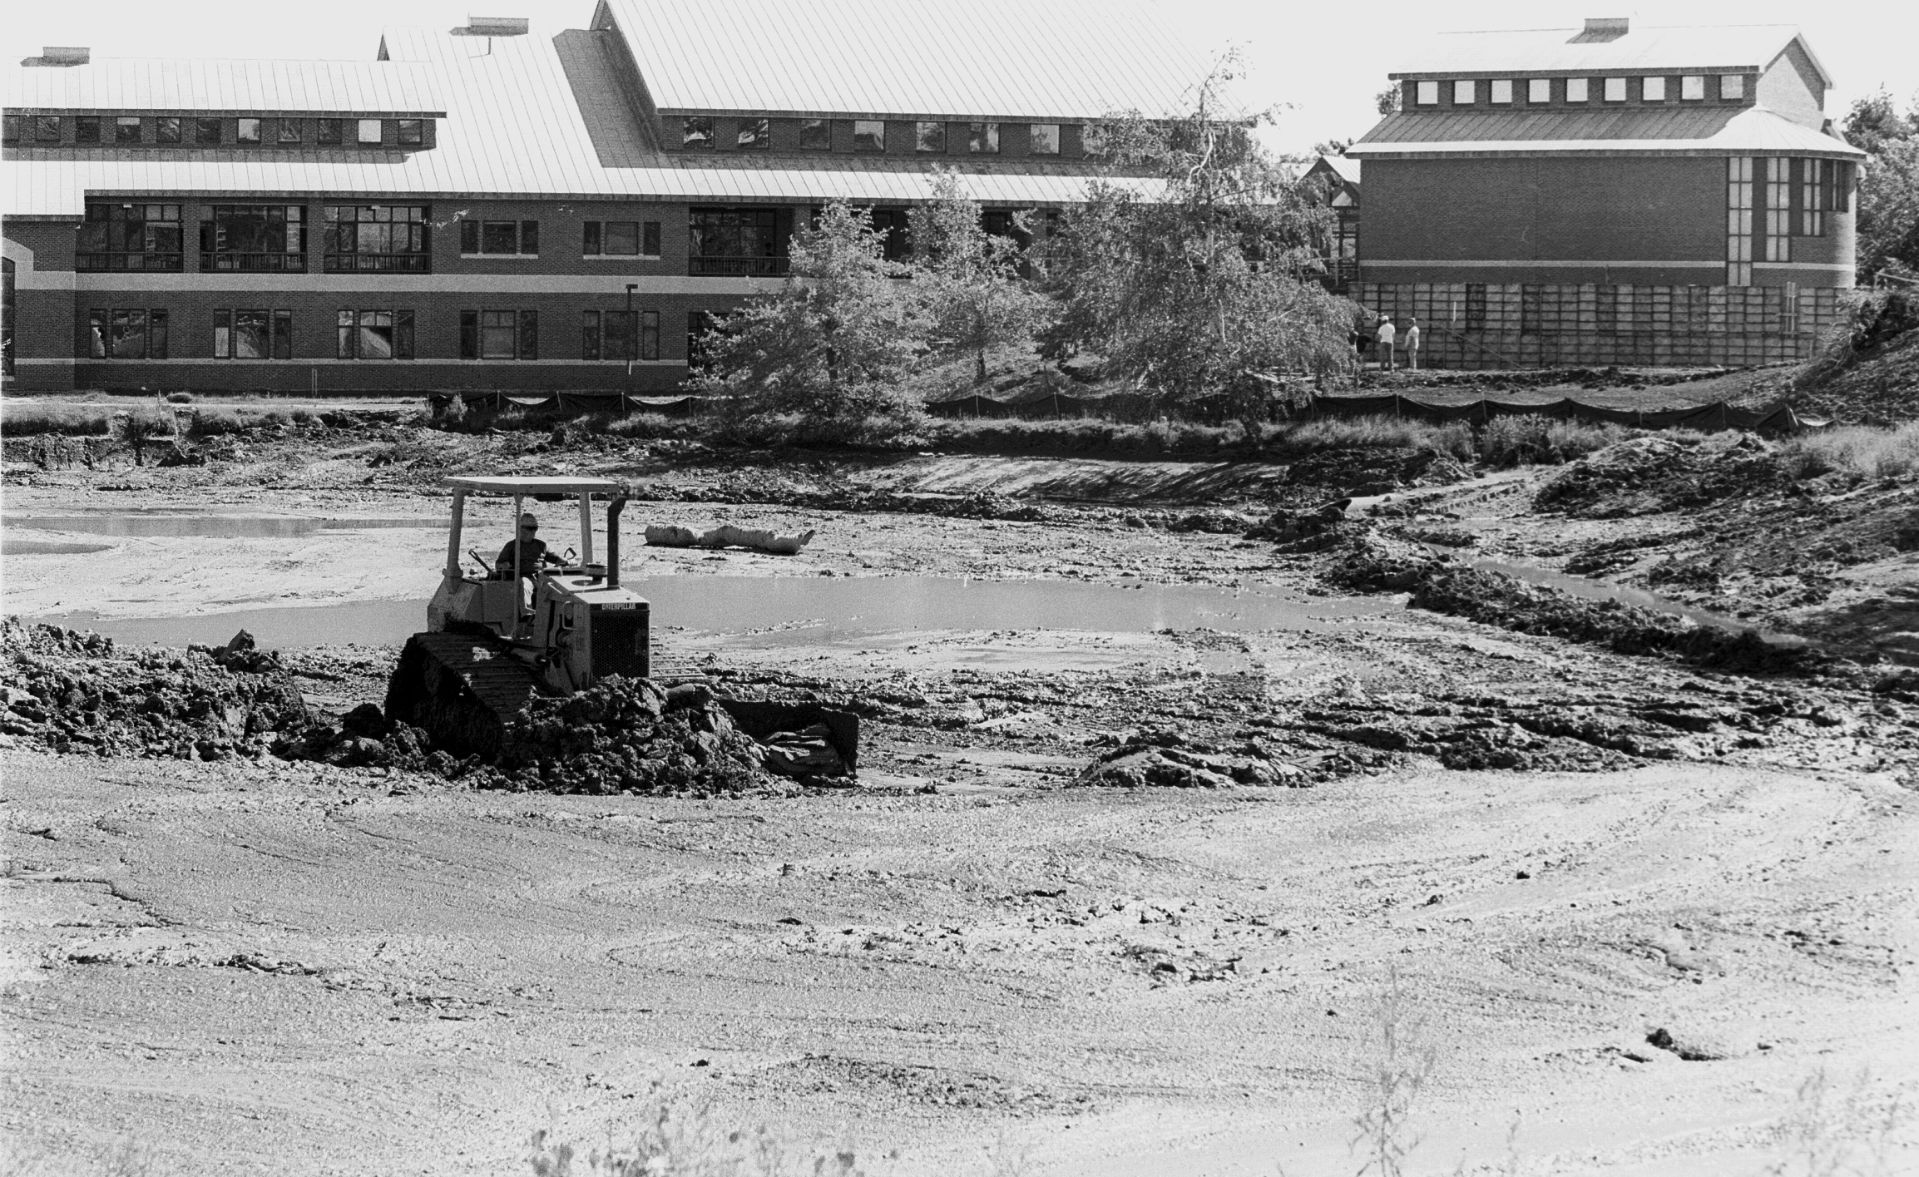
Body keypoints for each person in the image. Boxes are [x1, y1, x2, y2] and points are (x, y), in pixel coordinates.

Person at [495, 512, 563, 579]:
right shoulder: (511, 546)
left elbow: (558, 559)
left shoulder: (541, 545)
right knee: (524, 583)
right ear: (521, 529)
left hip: (541, 577)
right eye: (530, 528)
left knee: (555, 583)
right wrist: (504, 565)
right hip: (522, 578)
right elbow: (499, 565)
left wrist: (565, 562)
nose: (533, 531)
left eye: (535, 528)